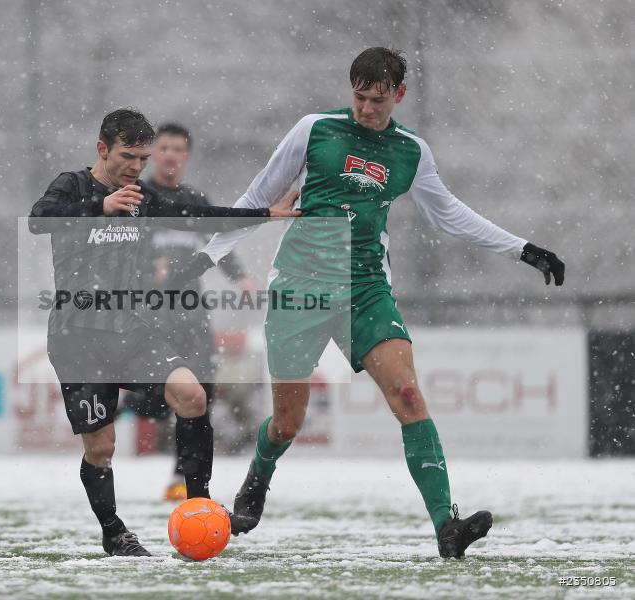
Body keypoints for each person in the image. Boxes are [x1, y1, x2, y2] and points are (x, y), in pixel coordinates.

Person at [182, 47, 566, 559]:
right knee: (286, 424)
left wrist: (523, 249)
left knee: (408, 395)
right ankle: (258, 477)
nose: (366, 108)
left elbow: (449, 214)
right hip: (301, 286)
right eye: (359, 97)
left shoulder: (411, 151)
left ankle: (446, 527)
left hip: (365, 287)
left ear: (399, 95)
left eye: (377, 99)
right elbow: (257, 198)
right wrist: (205, 259)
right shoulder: (313, 130)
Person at [27, 108, 299, 556]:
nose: (136, 166)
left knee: (193, 396)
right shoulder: (72, 185)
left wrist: (265, 214)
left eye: (142, 158)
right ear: (103, 149)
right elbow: (40, 219)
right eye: (127, 156)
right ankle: (114, 531)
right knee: (101, 447)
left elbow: (200, 215)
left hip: (130, 328)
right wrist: (99, 206)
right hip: (78, 336)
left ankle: (198, 506)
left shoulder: (141, 198)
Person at [122, 122, 258, 502]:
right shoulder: (136, 197)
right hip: (149, 312)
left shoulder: (195, 199)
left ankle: (183, 475)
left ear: (186, 156)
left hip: (191, 313)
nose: (170, 155)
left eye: (177, 149)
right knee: (155, 397)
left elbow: (219, 244)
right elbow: (116, 247)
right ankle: (117, 410)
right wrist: (148, 270)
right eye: (163, 148)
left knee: (203, 392)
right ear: (153, 154)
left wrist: (241, 278)